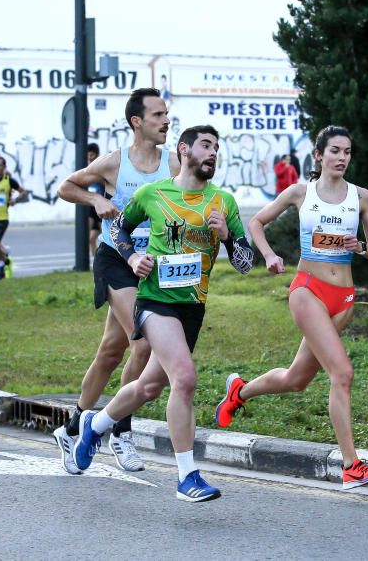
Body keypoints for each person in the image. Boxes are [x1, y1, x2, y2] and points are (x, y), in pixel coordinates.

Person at [71, 125, 254, 503]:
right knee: (184, 379)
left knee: (149, 386)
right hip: (155, 300)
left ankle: (95, 424)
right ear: (185, 150)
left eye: (217, 148)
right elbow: (119, 229)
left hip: (192, 307)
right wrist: (133, 257)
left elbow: (245, 263)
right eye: (206, 145)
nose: (213, 153)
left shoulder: (224, 203)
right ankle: (187, 476)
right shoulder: (153, 194)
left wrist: (227, 239)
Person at [215, 125, 368, 490]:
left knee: (297, 378)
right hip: (308, 291)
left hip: (344, 298)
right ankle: (351, 465)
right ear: (319, 155)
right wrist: (269, 255)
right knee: (342, 374)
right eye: (335, 151)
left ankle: (239, 393)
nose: (342, 157)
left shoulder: (362, 197)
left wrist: (359, 247)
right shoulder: (300, 192)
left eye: (347, 152)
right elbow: (256, 222)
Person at [53, 88, 180, 474]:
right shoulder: (113, 163)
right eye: (158, 115)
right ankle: (119, 429)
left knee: (111, 351)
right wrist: (95, 201)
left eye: (166, 114)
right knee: (141, 343)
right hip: (115, 260)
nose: (166, 120)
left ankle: (72, 427)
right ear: (137, 122)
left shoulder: (173, 164)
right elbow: (66, 187)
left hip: (151, 265)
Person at [86, 142, 104, 265]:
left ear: (97, 155)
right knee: (91, 238)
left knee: (108, 238)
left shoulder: (101, 169)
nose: (90, 158)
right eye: (88, 156)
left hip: (103, 208)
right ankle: (95, 262)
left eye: (92, 155)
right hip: (91, 208)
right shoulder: (87, 170)